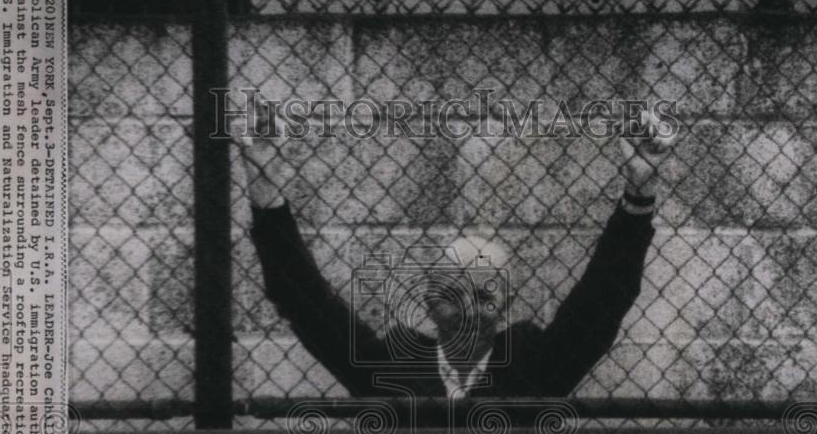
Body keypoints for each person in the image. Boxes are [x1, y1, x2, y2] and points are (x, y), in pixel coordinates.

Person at [237, 109, 676, 398]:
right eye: (453, 294)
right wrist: (265, 185)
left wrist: (640, 193)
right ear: (428, 300)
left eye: (484, 296)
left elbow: (604, 300)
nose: (469, 312)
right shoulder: (393, 368)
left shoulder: (532, 365)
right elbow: (306, 304)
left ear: (505, 305)